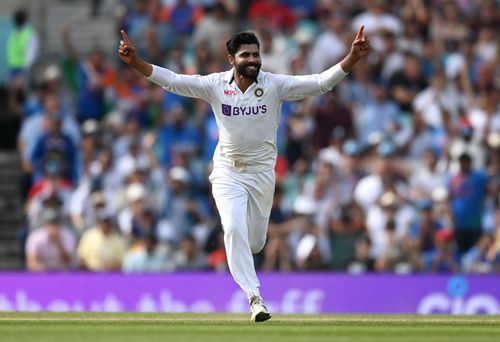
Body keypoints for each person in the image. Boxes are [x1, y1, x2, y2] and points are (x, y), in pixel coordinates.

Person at [118, 26, 369, 322]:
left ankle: (248, 262)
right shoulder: (215, 85)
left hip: (262, 176)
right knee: (234, 228)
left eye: (256, 54)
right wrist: (136, 63)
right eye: (245, 55)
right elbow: (173, 81)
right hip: (227, 172)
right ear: (231, 59)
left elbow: (318, 83)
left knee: (255, 243)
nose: (253, 59)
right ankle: (255, 298)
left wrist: (351, 58)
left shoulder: (273, 85)